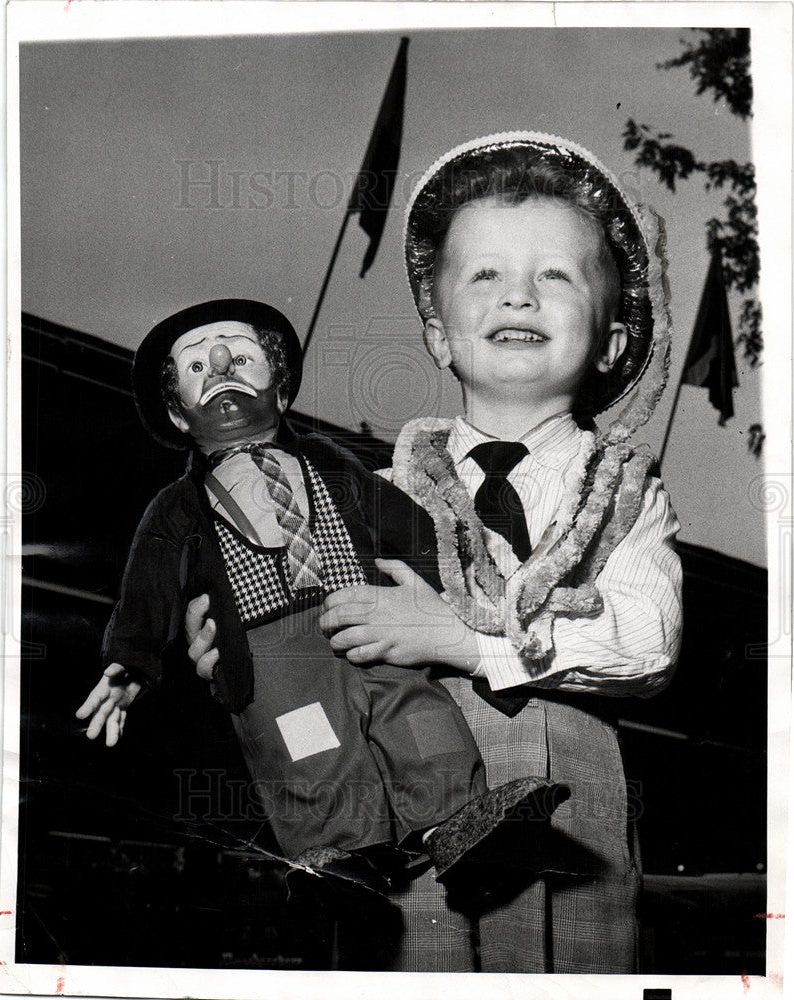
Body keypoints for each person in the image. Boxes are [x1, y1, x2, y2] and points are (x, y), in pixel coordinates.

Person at [187, 132, 682, 973]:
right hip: (397, 787)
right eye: (484, 273)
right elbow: (292, 626)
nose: (517, 296)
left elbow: (647, 640)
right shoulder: (351, 495)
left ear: (608, 340)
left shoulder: (628, 493)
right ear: (439, 333)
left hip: (571, 798)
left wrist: (456, 638)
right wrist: (237, 641)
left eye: (556, 275)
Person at [75, 297, 566, 892]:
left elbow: (403, 523)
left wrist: (452, 589)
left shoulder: (333, 463)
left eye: (239, 355)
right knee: (310, 747)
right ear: (179, 416)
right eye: (197, 367)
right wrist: (132, 658)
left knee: (415, 712)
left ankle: (455, 819)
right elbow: (148, 585)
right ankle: (338, 854)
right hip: (270, 650)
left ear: (281, 391)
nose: (222, 365)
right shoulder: (176, 507)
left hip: (365, 615)